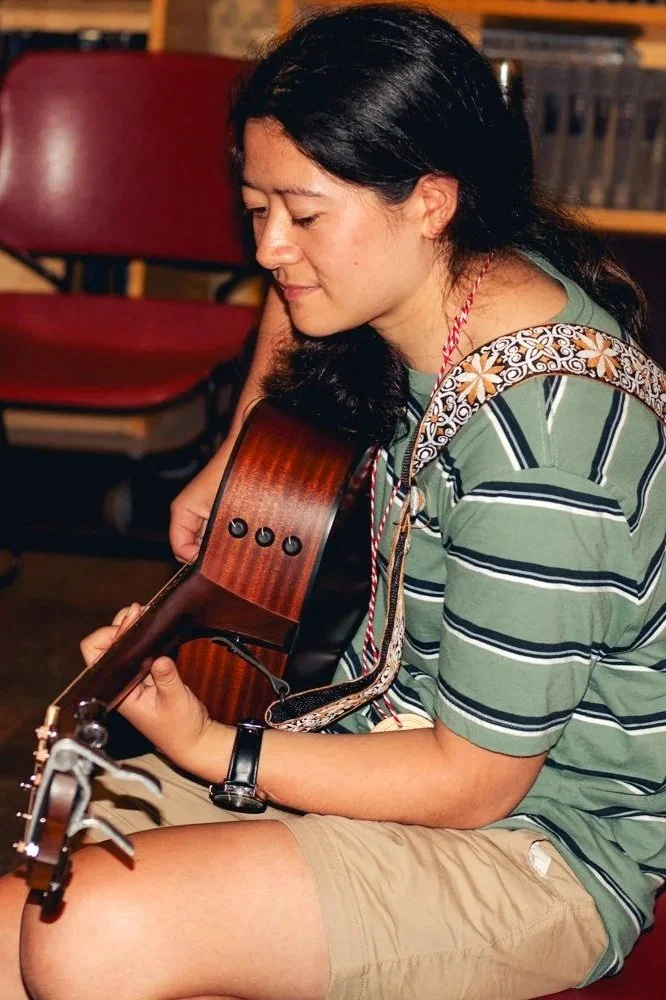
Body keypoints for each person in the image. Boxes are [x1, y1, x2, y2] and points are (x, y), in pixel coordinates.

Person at [2, 4, 665, 998]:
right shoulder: (459, 284)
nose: (270, 247)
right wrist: (237, 449)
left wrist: (217, 748)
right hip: (378, 749)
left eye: (302, 214)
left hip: (540, 852)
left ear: (429, 199)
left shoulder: (543, 443)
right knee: (12, 926)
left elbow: (473, 777)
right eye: (255, 206)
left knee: (91, 935)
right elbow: (292, 285)